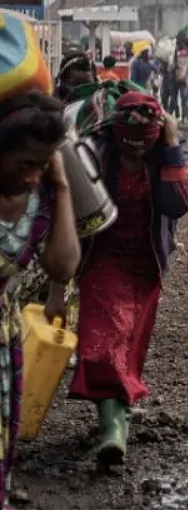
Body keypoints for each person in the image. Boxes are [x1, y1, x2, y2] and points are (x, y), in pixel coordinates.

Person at [56, 93, 188, 468]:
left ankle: (118, 421)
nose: (135, 153)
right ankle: (112, 434)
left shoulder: (163, 157)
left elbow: (178, 203)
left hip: (145, 267)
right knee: (99, 347)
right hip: (102, 262)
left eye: (144, 144)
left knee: (129, 349)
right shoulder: (94, 155)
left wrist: (171, 147)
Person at [0, 92, 81, 509]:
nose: (33, 176)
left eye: (41, 164)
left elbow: (63, 266)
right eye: (23, 164)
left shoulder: (40, 198)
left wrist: (63, 185)